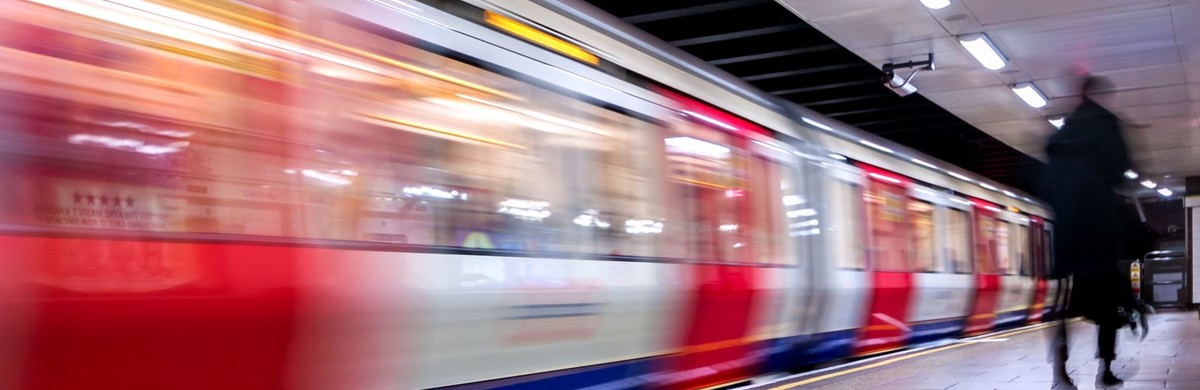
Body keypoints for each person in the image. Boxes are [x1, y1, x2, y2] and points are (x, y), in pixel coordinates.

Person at [1038, 75, 1137, 388]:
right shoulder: (1107, 126)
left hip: (1068, 236)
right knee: (1108, 309)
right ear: (1097, 94)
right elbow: (1122, 171)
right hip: (1098, 233)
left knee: (1062, 308)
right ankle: (1105, 370)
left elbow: (1047, 181)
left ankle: (1059, 373)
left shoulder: (1062, 135)